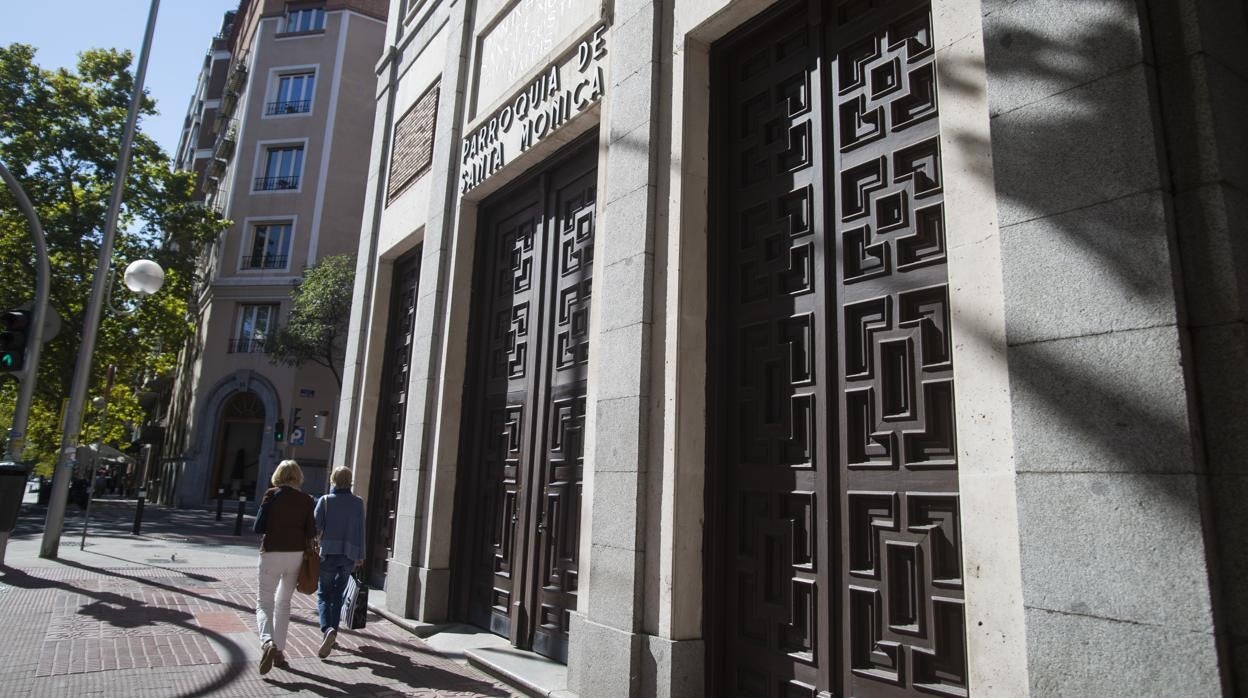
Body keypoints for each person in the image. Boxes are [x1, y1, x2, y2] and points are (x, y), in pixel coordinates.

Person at [252, 459, 316, 675]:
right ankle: (279, 652)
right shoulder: (307, 499)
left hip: (271, 552)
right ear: (298, 476)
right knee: (284, 603)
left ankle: (267, 641)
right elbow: (311, 531)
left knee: (264, 602)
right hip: (296, 555)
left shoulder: (271, 494)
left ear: (278, 475)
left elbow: (258, 526)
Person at [313, 466, 365, 659]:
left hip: (328, 553)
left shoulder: (325, 501)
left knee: (323, 594)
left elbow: (315, 527)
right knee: (338, 596)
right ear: (350, 480)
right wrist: (361, 555)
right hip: (349, 555)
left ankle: (327, 629)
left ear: (333, 479)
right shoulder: (358, 503)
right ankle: (333, 631)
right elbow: (361, 531)